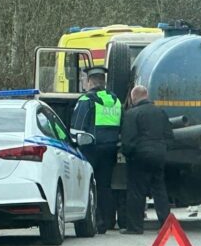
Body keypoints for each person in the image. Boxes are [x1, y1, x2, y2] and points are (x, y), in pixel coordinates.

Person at [70, 66, 122, 234]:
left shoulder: (87, 100)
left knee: (89, 185)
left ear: (90, 81)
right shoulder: (116, 100)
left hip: (90, 149)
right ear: (103, 81)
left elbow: (77, 126)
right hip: (111, 148)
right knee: (105, 186)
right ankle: (107, 222)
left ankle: (95, 221)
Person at [120, 85, 173, 234]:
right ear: (147, 96)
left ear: (133, 97)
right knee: (160, 190)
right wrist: (162, 149)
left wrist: (128, 154)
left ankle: (135, 227)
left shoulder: (131, 114)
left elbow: (128, 141)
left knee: (136, 191)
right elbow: (170, 136)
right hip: (159, 156)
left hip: (139, 157)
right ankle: (166, 225)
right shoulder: (160, 112)